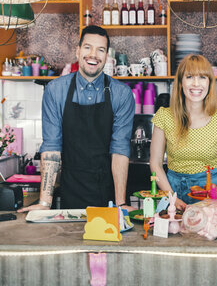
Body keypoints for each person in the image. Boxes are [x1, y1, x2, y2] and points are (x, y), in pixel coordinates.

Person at [18, 25, 135, 212]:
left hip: (110, 192)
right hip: (71, 189)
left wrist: (121, 204)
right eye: (88, 47)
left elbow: (120, 149)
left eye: (101, 50)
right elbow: (52, 147)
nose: (93, 55)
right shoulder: (55, 90)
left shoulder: (122, 94)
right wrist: (44, 203)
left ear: (107, 57)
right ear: (78, 51)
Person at [149, 54, 217, 211]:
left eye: (203, 77)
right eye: (189, 77)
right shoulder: (164, 116)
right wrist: (172, 197)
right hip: (174, 193)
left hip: (214, 195)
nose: (196, 84)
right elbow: (155, 163)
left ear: (210, 83)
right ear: (180, 82)